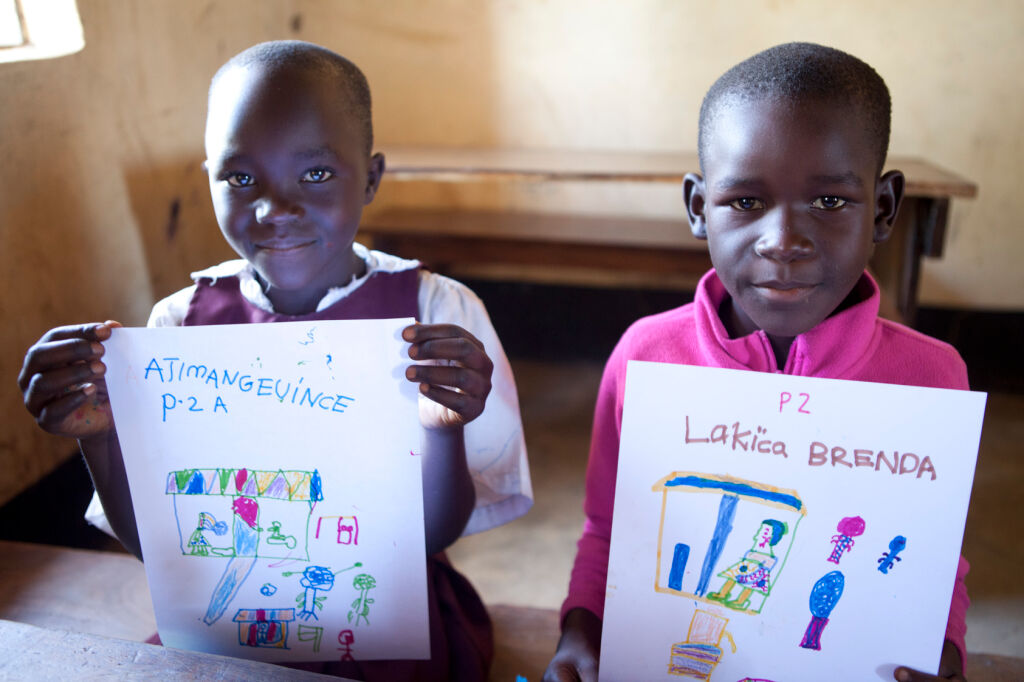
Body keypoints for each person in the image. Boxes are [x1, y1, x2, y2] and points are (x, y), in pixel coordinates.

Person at [19, 40, 532, 682]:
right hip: (224, 615)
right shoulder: (178, 327)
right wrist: (97, 437)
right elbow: (159, 543)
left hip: (382, 615)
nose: (274, 208)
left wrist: (442, 429)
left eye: (315, 174)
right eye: (240, 178)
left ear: (370, 177)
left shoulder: (434, 311)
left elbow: (433, 536)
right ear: (208, 178)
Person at [544, 43, 970, 682]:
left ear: (882, 210)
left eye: (829, 202)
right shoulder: (645, 357)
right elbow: (610, 529)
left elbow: (935, 566)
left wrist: (946, 651)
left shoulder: (931, 380)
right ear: (697, 207)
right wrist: (581, 632)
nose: (783, 242)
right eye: (745, 201)